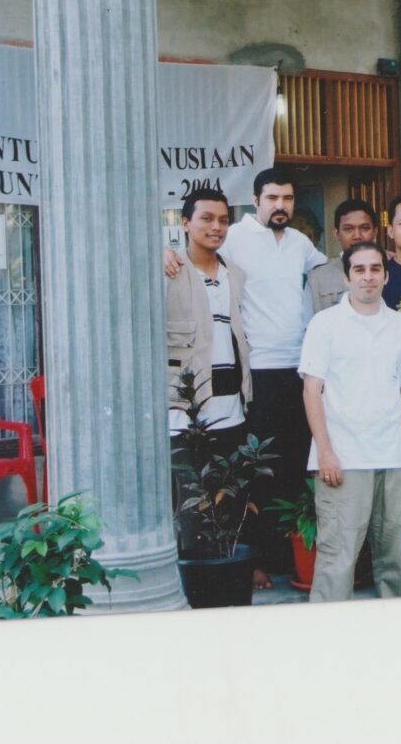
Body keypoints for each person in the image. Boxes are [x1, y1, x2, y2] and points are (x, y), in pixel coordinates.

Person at [164, 165, 326, 588]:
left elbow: (329, 274)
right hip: (254, 372)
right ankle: (251, 560)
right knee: (254, 474)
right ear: (255, 201)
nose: (280, 205)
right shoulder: (232, 238)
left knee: (289, 467)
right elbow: (188, 252)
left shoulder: (300, 242)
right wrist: (163, 251)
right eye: (272, 198)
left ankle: (287, 557)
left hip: (298, 367)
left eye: (287, 198)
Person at [299, 242, 401, 602]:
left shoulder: (400, 325)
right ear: (346, 276)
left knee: (395, 557)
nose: (368, 277)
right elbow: (312, 391)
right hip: (345, 458)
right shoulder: (325, 325)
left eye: (374, 269)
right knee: (338, 558)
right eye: (359, 270)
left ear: (385, 275)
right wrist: (325, 452)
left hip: (393, 457)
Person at [165, 189, 252, 553]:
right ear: (185, 224)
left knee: (229, 496)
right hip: (186, 411)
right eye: (206, 219)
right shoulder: (169, 270)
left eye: (222, 220)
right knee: (191, 503)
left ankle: (228, 578)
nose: (215, 227)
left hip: (230, 405)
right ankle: (197, 587)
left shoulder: (236, 275)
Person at [308, 198, 378, 314]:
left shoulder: (386, 270)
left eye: (364, 228)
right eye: (348, 229)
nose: (357, 236)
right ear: (337, 234)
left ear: (375, 232)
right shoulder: (317, 277)